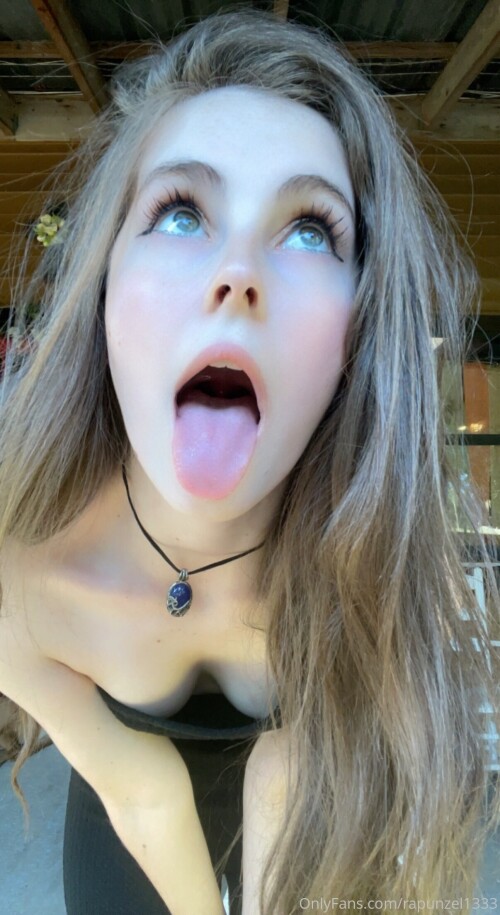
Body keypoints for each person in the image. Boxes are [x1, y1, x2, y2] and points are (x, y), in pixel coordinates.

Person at [0, 9, 498, 915]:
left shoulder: (371, 565)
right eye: (180, 211)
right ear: (104, 281)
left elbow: (293, 781)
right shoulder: (17, 572)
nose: (238, 273)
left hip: (312, 823)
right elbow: (141, 790)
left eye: (310, 230)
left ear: (360, 328)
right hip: (121, 818)